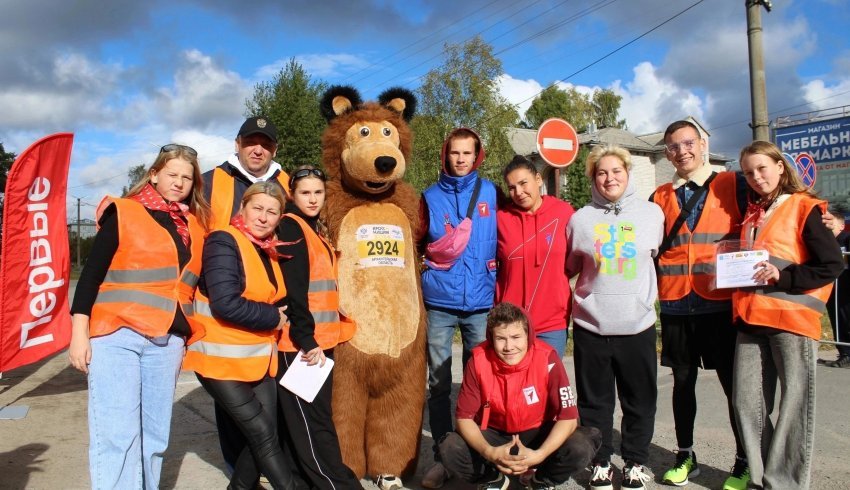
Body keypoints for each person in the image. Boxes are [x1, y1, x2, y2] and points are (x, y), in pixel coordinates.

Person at [68, 144, 210, 489]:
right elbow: (90, 276)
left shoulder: (194, 227)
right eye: (172, 174)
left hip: (167, 341)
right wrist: (79, 333)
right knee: (117, 435)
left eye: (187, 178)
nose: (179, 182)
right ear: (155, 174)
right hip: (118, 335)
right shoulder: (126, 212)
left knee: (155, 437)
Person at [732, 140, 844, 489]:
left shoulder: (805, 207)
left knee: (793, 406)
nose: (756, 177)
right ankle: (763, 475)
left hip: (791, 321)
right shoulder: (753, 212)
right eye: (749, 172)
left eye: (762, 168)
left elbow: (832, 265)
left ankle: (785, 483)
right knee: (746, 404)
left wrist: (786, 277)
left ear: (781, 166)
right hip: (751, 319)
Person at [650, 120, 750, 489]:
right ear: (667, 153)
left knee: (733, 387)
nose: (682, 151)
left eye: (688, 143)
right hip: (676, 302)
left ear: (704, 143)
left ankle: (744, 460)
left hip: (720, 303)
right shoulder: (659, 195)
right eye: (674, 146)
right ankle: (686, 454)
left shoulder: (733, 183)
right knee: (682, 383)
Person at [183, 182, 297, 490]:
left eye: (272, 212)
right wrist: (274, 317)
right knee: (262, 433)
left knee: (264, 434)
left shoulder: (268, 251)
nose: (263, 217)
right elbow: (225, 303)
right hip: (219, 361)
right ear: (242, 209)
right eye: (257, 208)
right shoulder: (223, 241)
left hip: (257, 360)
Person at [566, 145, 664, 490]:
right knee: (596, 403)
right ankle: (601, 463)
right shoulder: (580, 220)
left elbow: (656, 258)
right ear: (594, 178)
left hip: (637, 324)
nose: (609, 178)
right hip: (592, 325)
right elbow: (571, 268)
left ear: (628, 173)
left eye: (616, 171)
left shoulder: (653, 215)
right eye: (601, 173)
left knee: (639, 400)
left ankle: (636, 462)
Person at [203, 115, 291, 471]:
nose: (258, 149)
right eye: (251, 142)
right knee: (234, 407)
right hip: (225, 306)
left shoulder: (286, 182)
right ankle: (239, 468)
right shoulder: (211, 181)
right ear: (237, 144)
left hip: (275, 301)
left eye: (266, 143)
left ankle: (262, 467)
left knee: (271, 402)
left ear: (274, 149)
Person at [438, 302, 601, 490]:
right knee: (449, 447)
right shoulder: (478, 360)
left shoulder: (547, 357)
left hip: (537, 431)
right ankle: (492, 479)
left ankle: (542, 480)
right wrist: (489, 452)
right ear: (491, 338)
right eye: (501, 338)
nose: (509, 346)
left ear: (528, 336)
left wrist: (540, 454)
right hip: (495, 433)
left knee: (581, 445)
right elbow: (463, 418)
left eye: (516, 337)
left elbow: (569, 418)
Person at [418, 128, 499, 488]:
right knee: (437, 382)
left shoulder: (492, 193)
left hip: (481, 302)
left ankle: (476, 453)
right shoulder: (428, 197)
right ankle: (442, 456)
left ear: (477, 156)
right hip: (439, 302)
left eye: (468, 153)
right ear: (445, 155)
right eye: (455, 153)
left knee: (478, 383)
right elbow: (414, 242)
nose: (461, 159)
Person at [273, 165, 362, 489]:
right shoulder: (292, 227)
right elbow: (295, 289)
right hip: (300, 346)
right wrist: (306, 339)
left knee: (301, 423)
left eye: (318, 192)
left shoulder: (312, 228)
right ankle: (337, 484)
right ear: (292, 196)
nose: (312, 199)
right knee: (313, 425)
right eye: (305, 193)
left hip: (318, 342)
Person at [496, 155, 574, 358]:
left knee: (547, 385)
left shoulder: (564, 213)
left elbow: (576, 260)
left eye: (523, 183)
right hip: (510, 324)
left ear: (538, 179)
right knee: (513, 387)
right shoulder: (501, 219)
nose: (519, 192)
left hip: (552, 322)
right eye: (512, 187)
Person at [821, 229, 850, 367]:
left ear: (841, 225)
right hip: (834, 287)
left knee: (843, 319)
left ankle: (846, 353)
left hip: (843, 286)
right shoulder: (827, 240)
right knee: (837, 319)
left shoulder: (846, 239)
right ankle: (844, 352)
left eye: (833, 224)